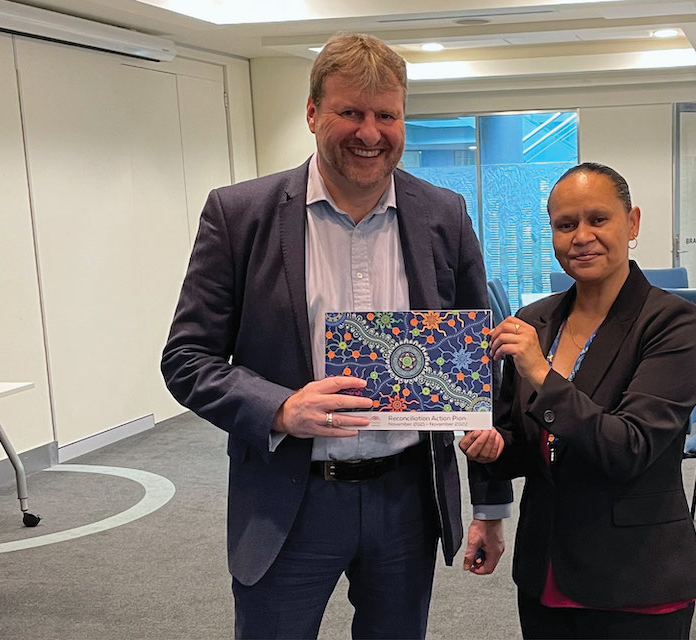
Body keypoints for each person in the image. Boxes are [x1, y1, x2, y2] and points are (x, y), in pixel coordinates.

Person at [162, 32, 509, 640]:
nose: (370, 133)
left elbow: (478, 362)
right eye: (350, 112)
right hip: (289, 499)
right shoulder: (239, 215)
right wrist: (280, 408)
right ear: (312, 113)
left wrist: (490, 504)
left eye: (387, 116)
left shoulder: (444, 215)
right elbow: (187, 359)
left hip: (406, 500)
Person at [459, 163, 696, 639]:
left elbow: (629, 446)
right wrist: (494, 448)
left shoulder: (673, 323)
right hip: (545, 567)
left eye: (598, 219)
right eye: (565, 224)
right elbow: (526, 443)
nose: (581, 237)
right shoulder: (535, 321)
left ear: (632, 223)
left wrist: (541, 372)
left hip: (634, 576)